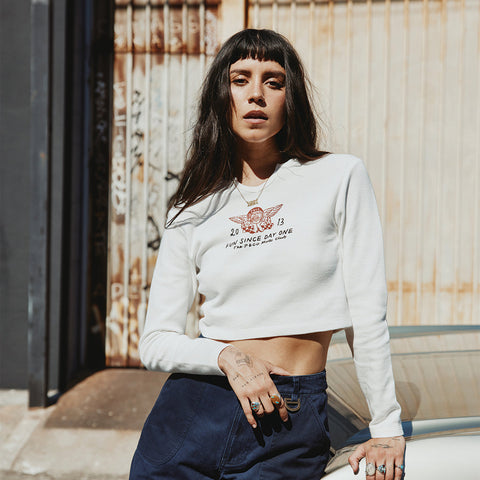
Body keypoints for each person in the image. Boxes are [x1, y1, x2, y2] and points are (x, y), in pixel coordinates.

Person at [130, 28, 405, 480]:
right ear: (221, 96)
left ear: (289, 98)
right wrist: (227, 358)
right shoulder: (192, 206)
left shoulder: (338, 177)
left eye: (273, 82)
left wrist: (386, 426)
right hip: (192, 413)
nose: (255, 94)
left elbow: (367, 313)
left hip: (287, 419)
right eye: (240, 80)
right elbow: (156, 341)